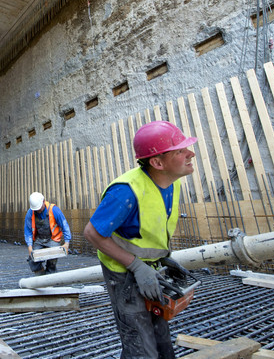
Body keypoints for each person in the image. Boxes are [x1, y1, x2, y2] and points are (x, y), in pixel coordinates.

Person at [83, 120, 197, 359]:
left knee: (161, 340)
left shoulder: (171, 184)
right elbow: (92, 233)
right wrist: (136, 266)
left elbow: (149, 231)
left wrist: (164, 259)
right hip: (123, 273)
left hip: (150, 268)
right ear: (157, 162)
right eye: (180, 151)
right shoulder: (126, 191)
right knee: (139, 343)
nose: (191, 154)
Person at [24, 192, 71, 275]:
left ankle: (50, 276)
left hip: (53, 239)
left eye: (39, 208)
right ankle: (41, 278)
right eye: (36, 209)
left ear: (43, 201)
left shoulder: (54, 210)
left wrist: (66, 243)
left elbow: (65, 226)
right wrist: (30, 247)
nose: (38, 210)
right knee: (33, 259)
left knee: (52, 259)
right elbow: (28, 231)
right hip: (40, 239)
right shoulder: (30, 213)